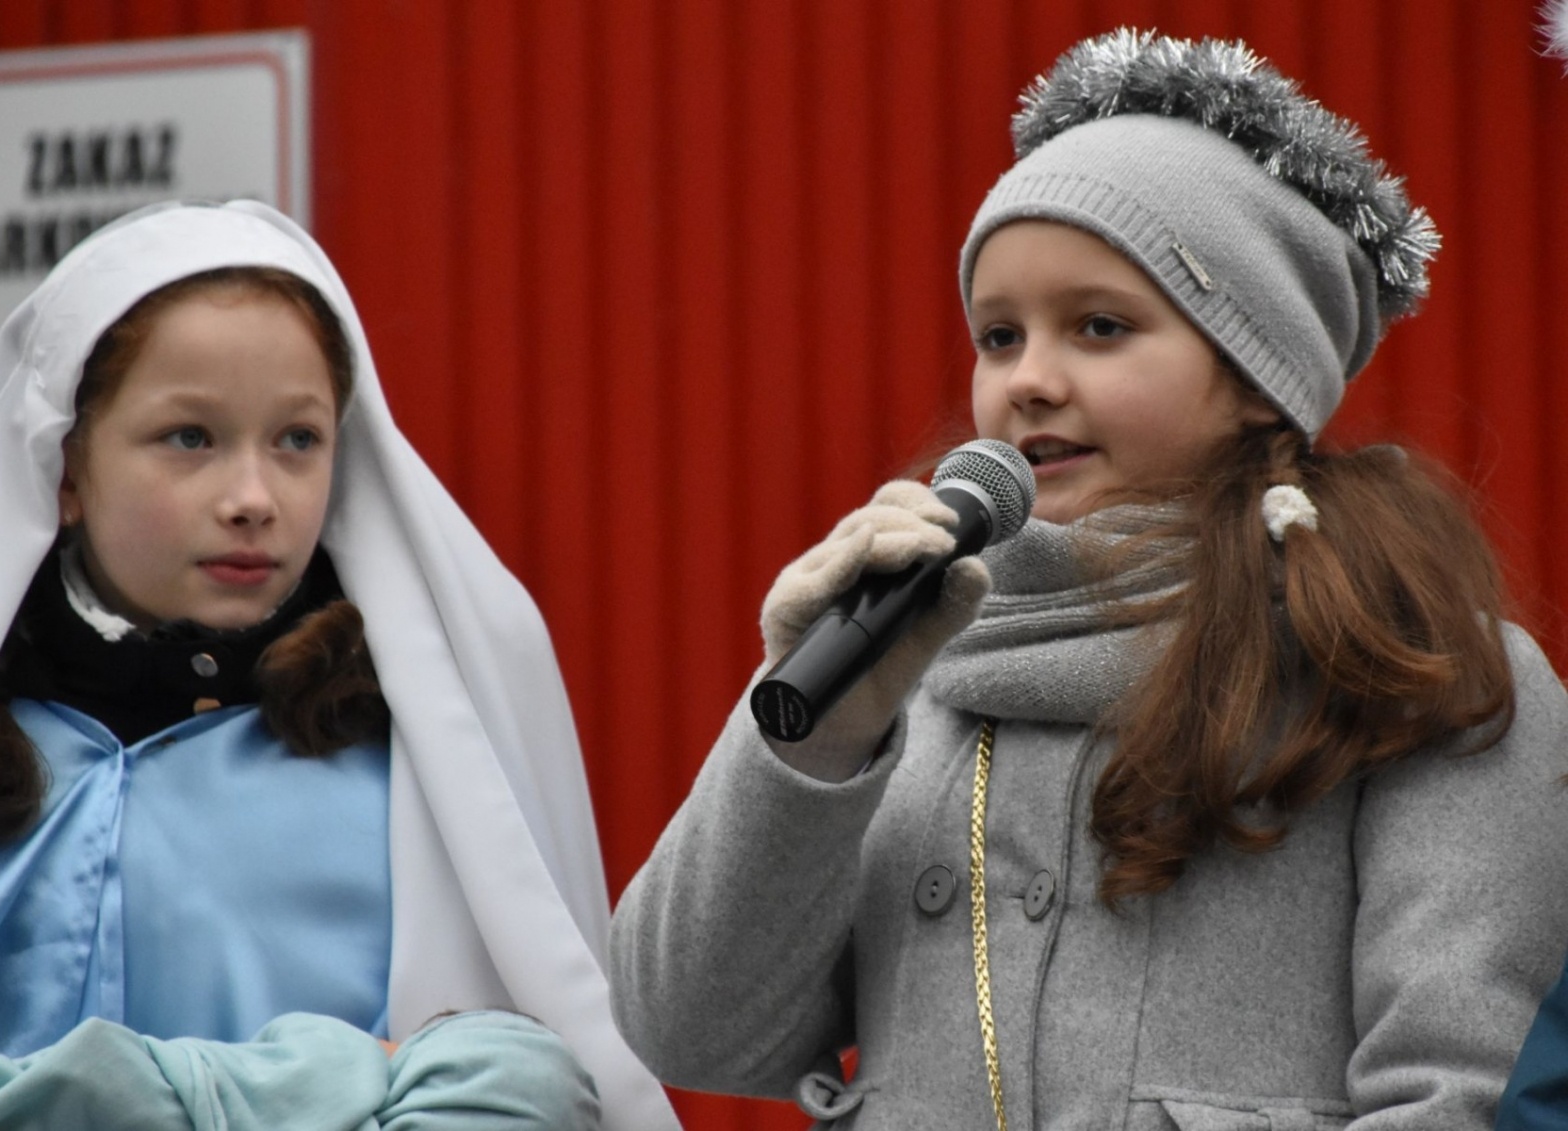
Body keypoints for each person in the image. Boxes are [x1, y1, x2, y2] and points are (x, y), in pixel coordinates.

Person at [608, 29, 1568, 1130]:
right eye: (997, 335)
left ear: (1259, 374)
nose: (1028, 380)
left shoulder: (1418, 671)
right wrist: (813, 733)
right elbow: (691, 1029)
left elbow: (1460, 1095)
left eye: (1099, 327)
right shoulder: (911, 664)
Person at [0, 199, 678, 1130]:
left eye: (297, 439)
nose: (253, 496)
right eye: (191, 437)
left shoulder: (419, 768)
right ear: (64, 468)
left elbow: (527, 1087)